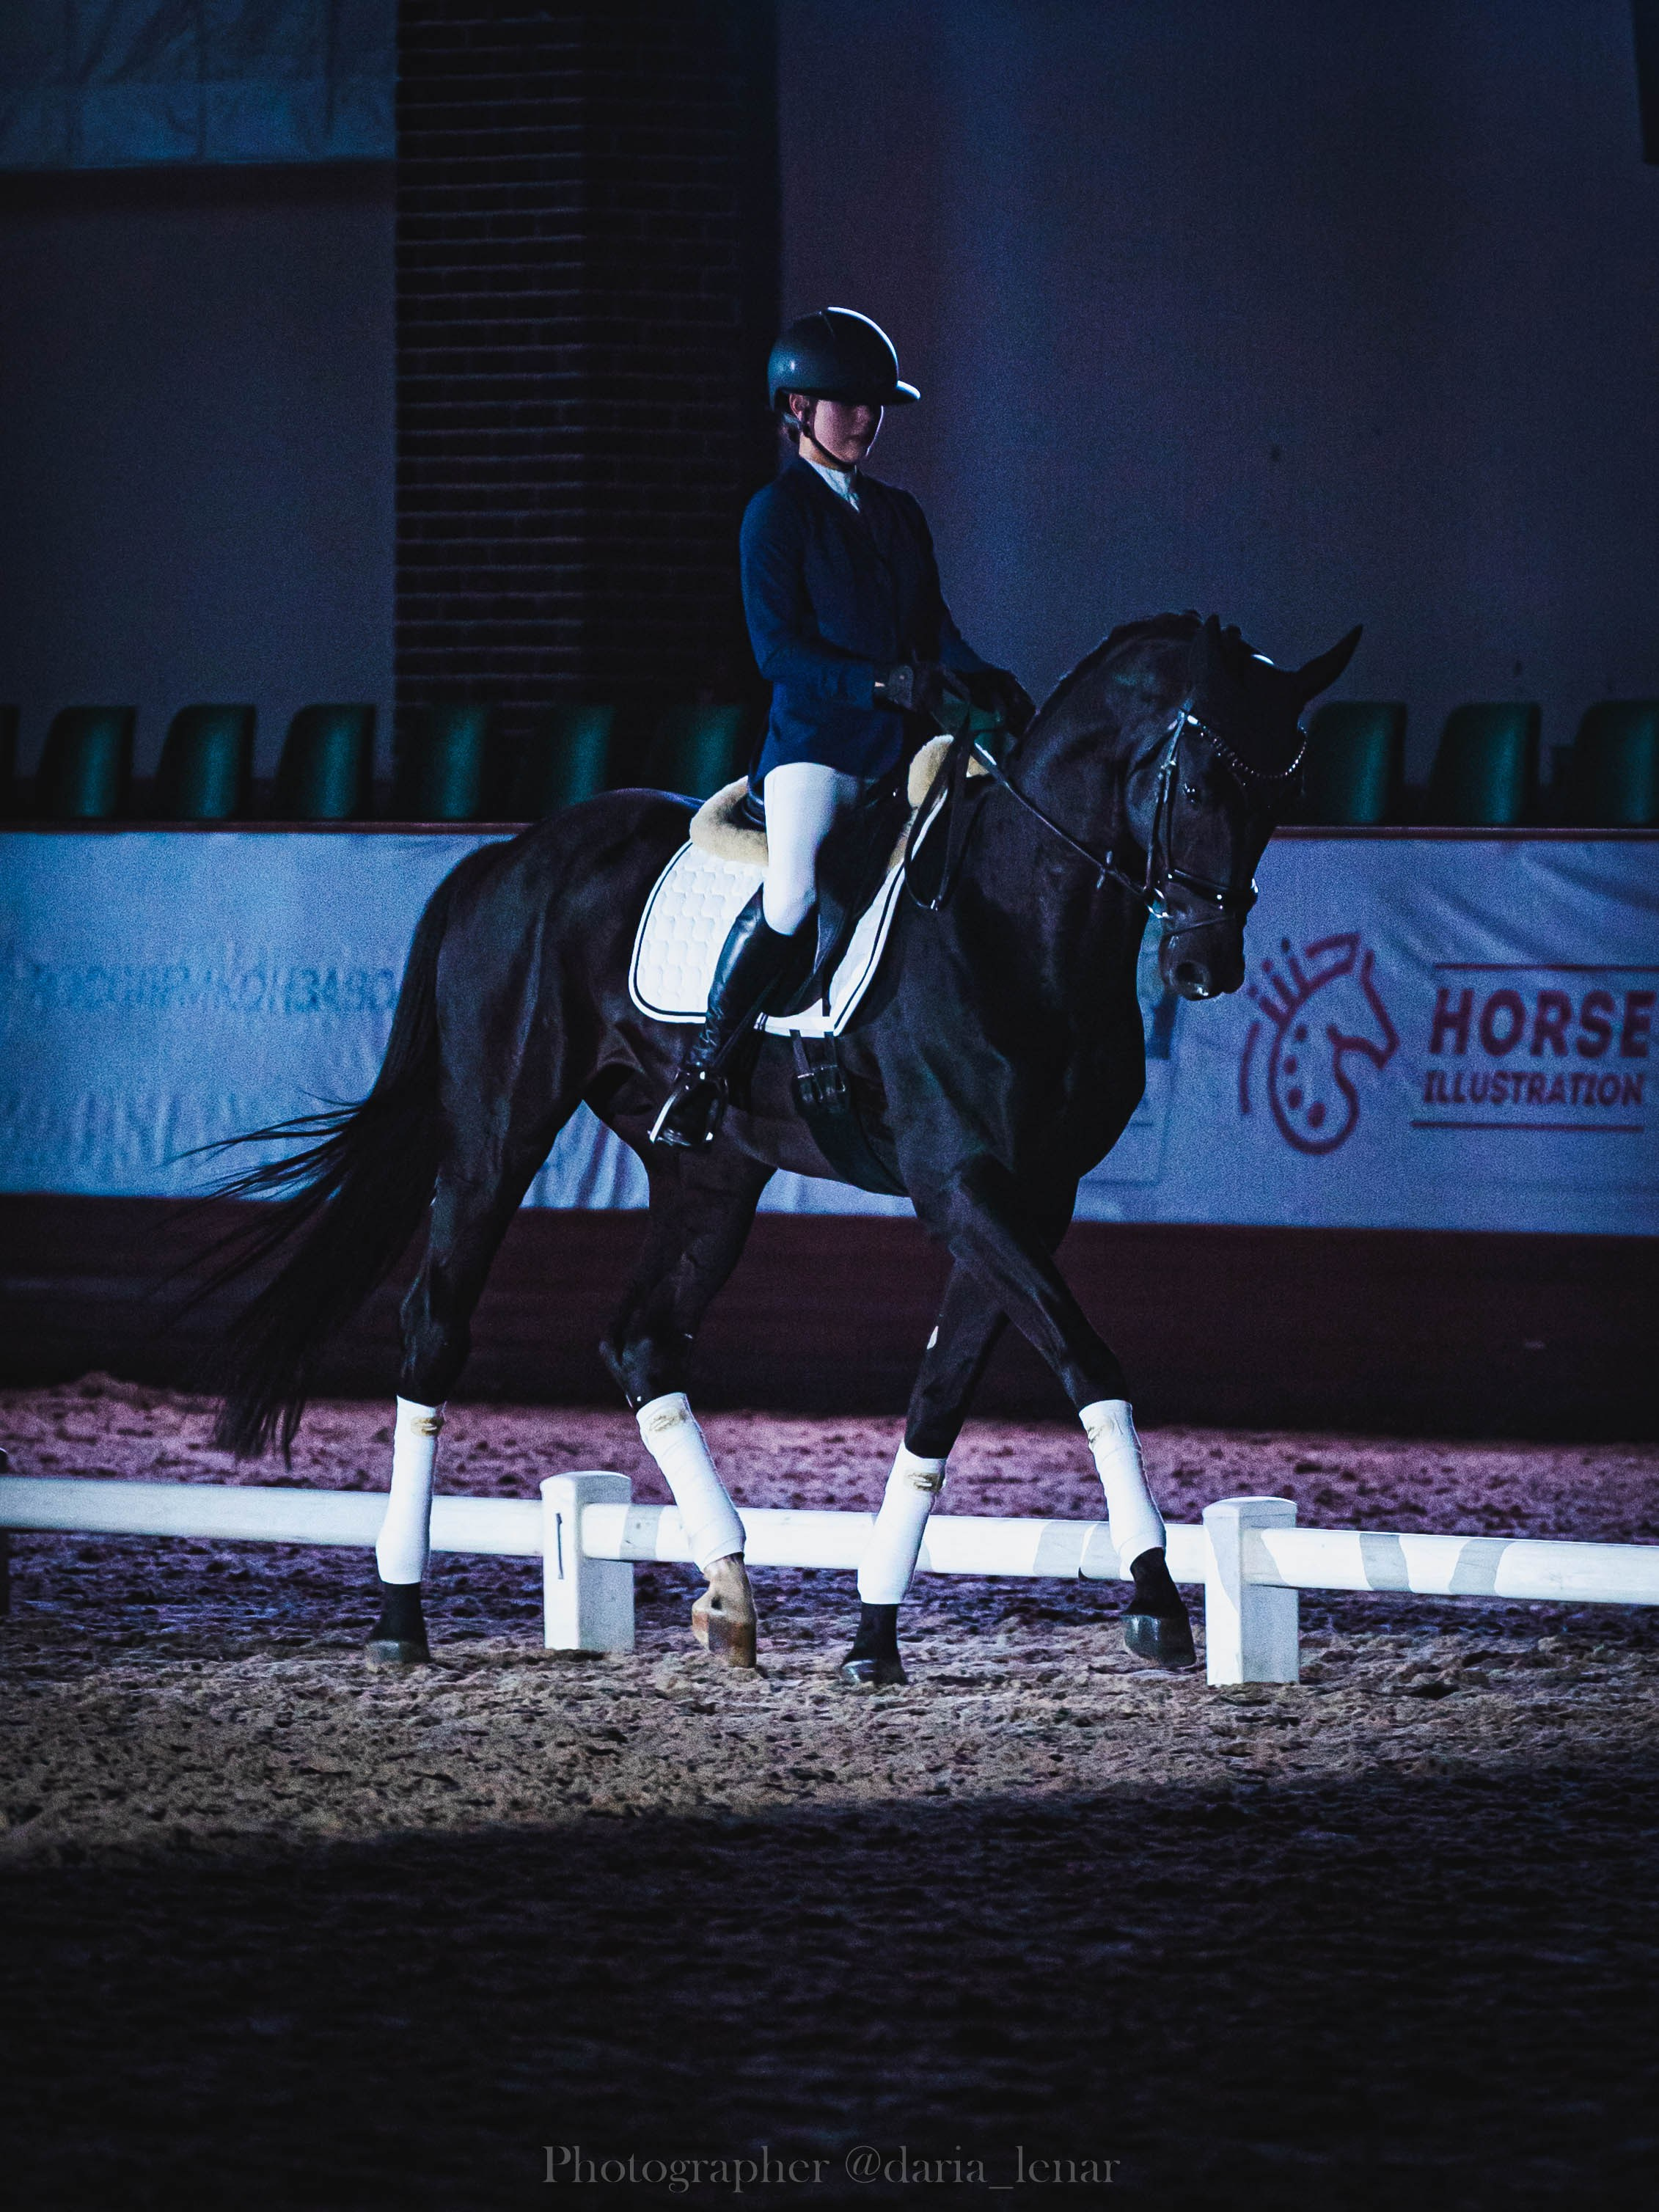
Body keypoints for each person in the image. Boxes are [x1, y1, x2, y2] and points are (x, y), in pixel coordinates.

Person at [651, 306, 1032, 1146]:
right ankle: (706, 1069)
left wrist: (983, 677)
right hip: (816, 747)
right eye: (849, 403)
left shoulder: (898, 514)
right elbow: (777, 651)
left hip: (902, 749)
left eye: (876, 405)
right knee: (792, 890)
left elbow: (933, 628)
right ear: (797, 411)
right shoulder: (776, 515)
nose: (868, 419)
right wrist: (879, 679)